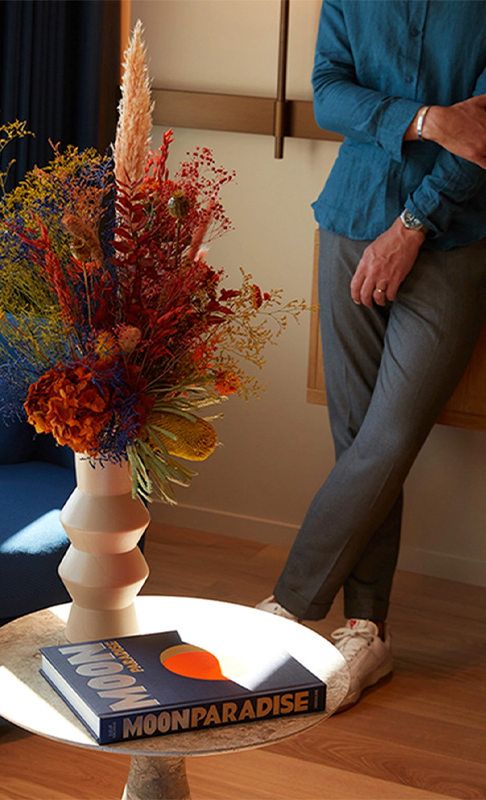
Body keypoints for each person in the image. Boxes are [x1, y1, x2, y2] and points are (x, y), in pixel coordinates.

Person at [257, 0, 486, 711]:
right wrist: (425, 119)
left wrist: (414, 223)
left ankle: (288, 608)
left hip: (451, 236)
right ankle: (366, 630)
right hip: (350, 218)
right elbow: (330, 91)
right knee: (353, 436)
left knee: (388, 439)